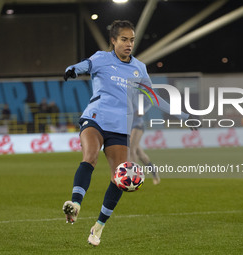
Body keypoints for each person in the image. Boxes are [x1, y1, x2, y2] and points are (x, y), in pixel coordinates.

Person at [62, 20, 196, 246]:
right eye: (124, 39)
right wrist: (72, 69)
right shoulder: (101, 59)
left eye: (131, 39)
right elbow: (84, 65)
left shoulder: (139, 68)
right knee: (90, 156)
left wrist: (183, 115)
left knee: (120, 177)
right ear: (113, 41)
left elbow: (154, 97)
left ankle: (98, 228)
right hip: (95, 118)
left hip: (120, 127)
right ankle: (75, 204)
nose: (128, 44)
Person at [130, 112, 161, 185]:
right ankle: (154, 172)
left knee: (131, 149)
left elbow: (141, 110)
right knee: (140, 154)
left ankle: (135, 177)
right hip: (127, 126)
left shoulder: (134, 100)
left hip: (136, 125)